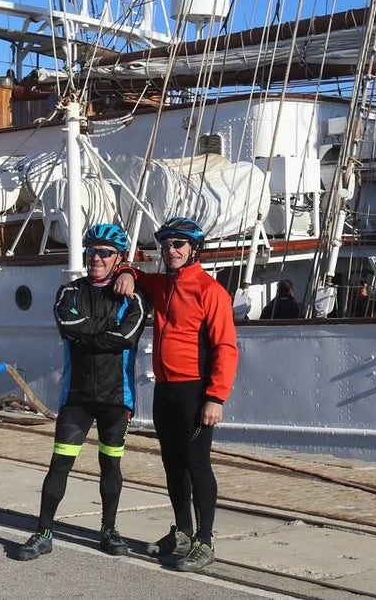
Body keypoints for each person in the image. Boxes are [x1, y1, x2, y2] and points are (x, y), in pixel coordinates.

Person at [16, 223, 147, 561]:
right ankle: (43, 532)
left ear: (118, 258)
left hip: (116, 398)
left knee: (111, 467)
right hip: (76, 399)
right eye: (91, 252)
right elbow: (68, 324)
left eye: (104, 253)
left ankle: (108, 529)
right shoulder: (69, 292)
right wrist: (103, 334)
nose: (96, 258)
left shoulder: (132, 298)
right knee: (59, 465)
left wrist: (88, 336)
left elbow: (126, 337)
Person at [114, 216, 239, 573]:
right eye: (167, 245)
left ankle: (205, 540)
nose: (171, 251)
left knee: (196, 464)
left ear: (194, 249)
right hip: (165, 389)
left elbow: (226, 348)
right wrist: (127, 272)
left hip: (195, 391)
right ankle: (182, 532)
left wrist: (215, 397)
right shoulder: (165, 285)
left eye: (178, 245)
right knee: (171, 463)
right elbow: (137, 275)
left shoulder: (210, 291)